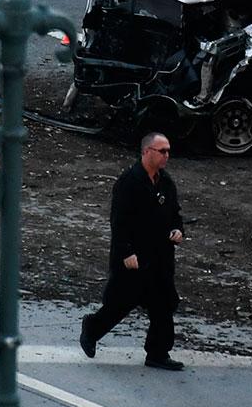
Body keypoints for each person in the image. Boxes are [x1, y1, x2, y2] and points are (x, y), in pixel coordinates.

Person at [80, 133, 187, 371]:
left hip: (160, 257)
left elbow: (175, 214)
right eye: (162, 151)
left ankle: (158, 353)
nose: (166, 156)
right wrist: (126, 252)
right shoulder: (129, 182)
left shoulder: (165, 182)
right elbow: (119, 222)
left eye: (168, 151)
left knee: (164, 304)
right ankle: (92, 328)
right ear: (147, 152)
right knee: (120, 303)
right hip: (134, 257)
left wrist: (177, 231)